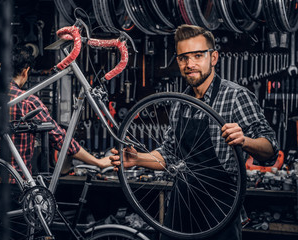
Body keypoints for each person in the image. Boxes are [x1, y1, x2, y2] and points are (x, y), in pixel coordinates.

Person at [110, 24, 279, 240]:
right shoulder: (181, 103)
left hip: (221, 212)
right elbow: (170, 155)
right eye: (183, 58)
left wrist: (244, 141)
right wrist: (137, 159)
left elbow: (271, 149)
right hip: (180, 210)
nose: (190, 64)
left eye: (198, 55)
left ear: (214, 57)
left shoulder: (236, 97)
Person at [7, 45, 111, 180]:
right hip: (16, 182)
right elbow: (60, 139)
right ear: (26, 72)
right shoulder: (28, 101)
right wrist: (98, 162)